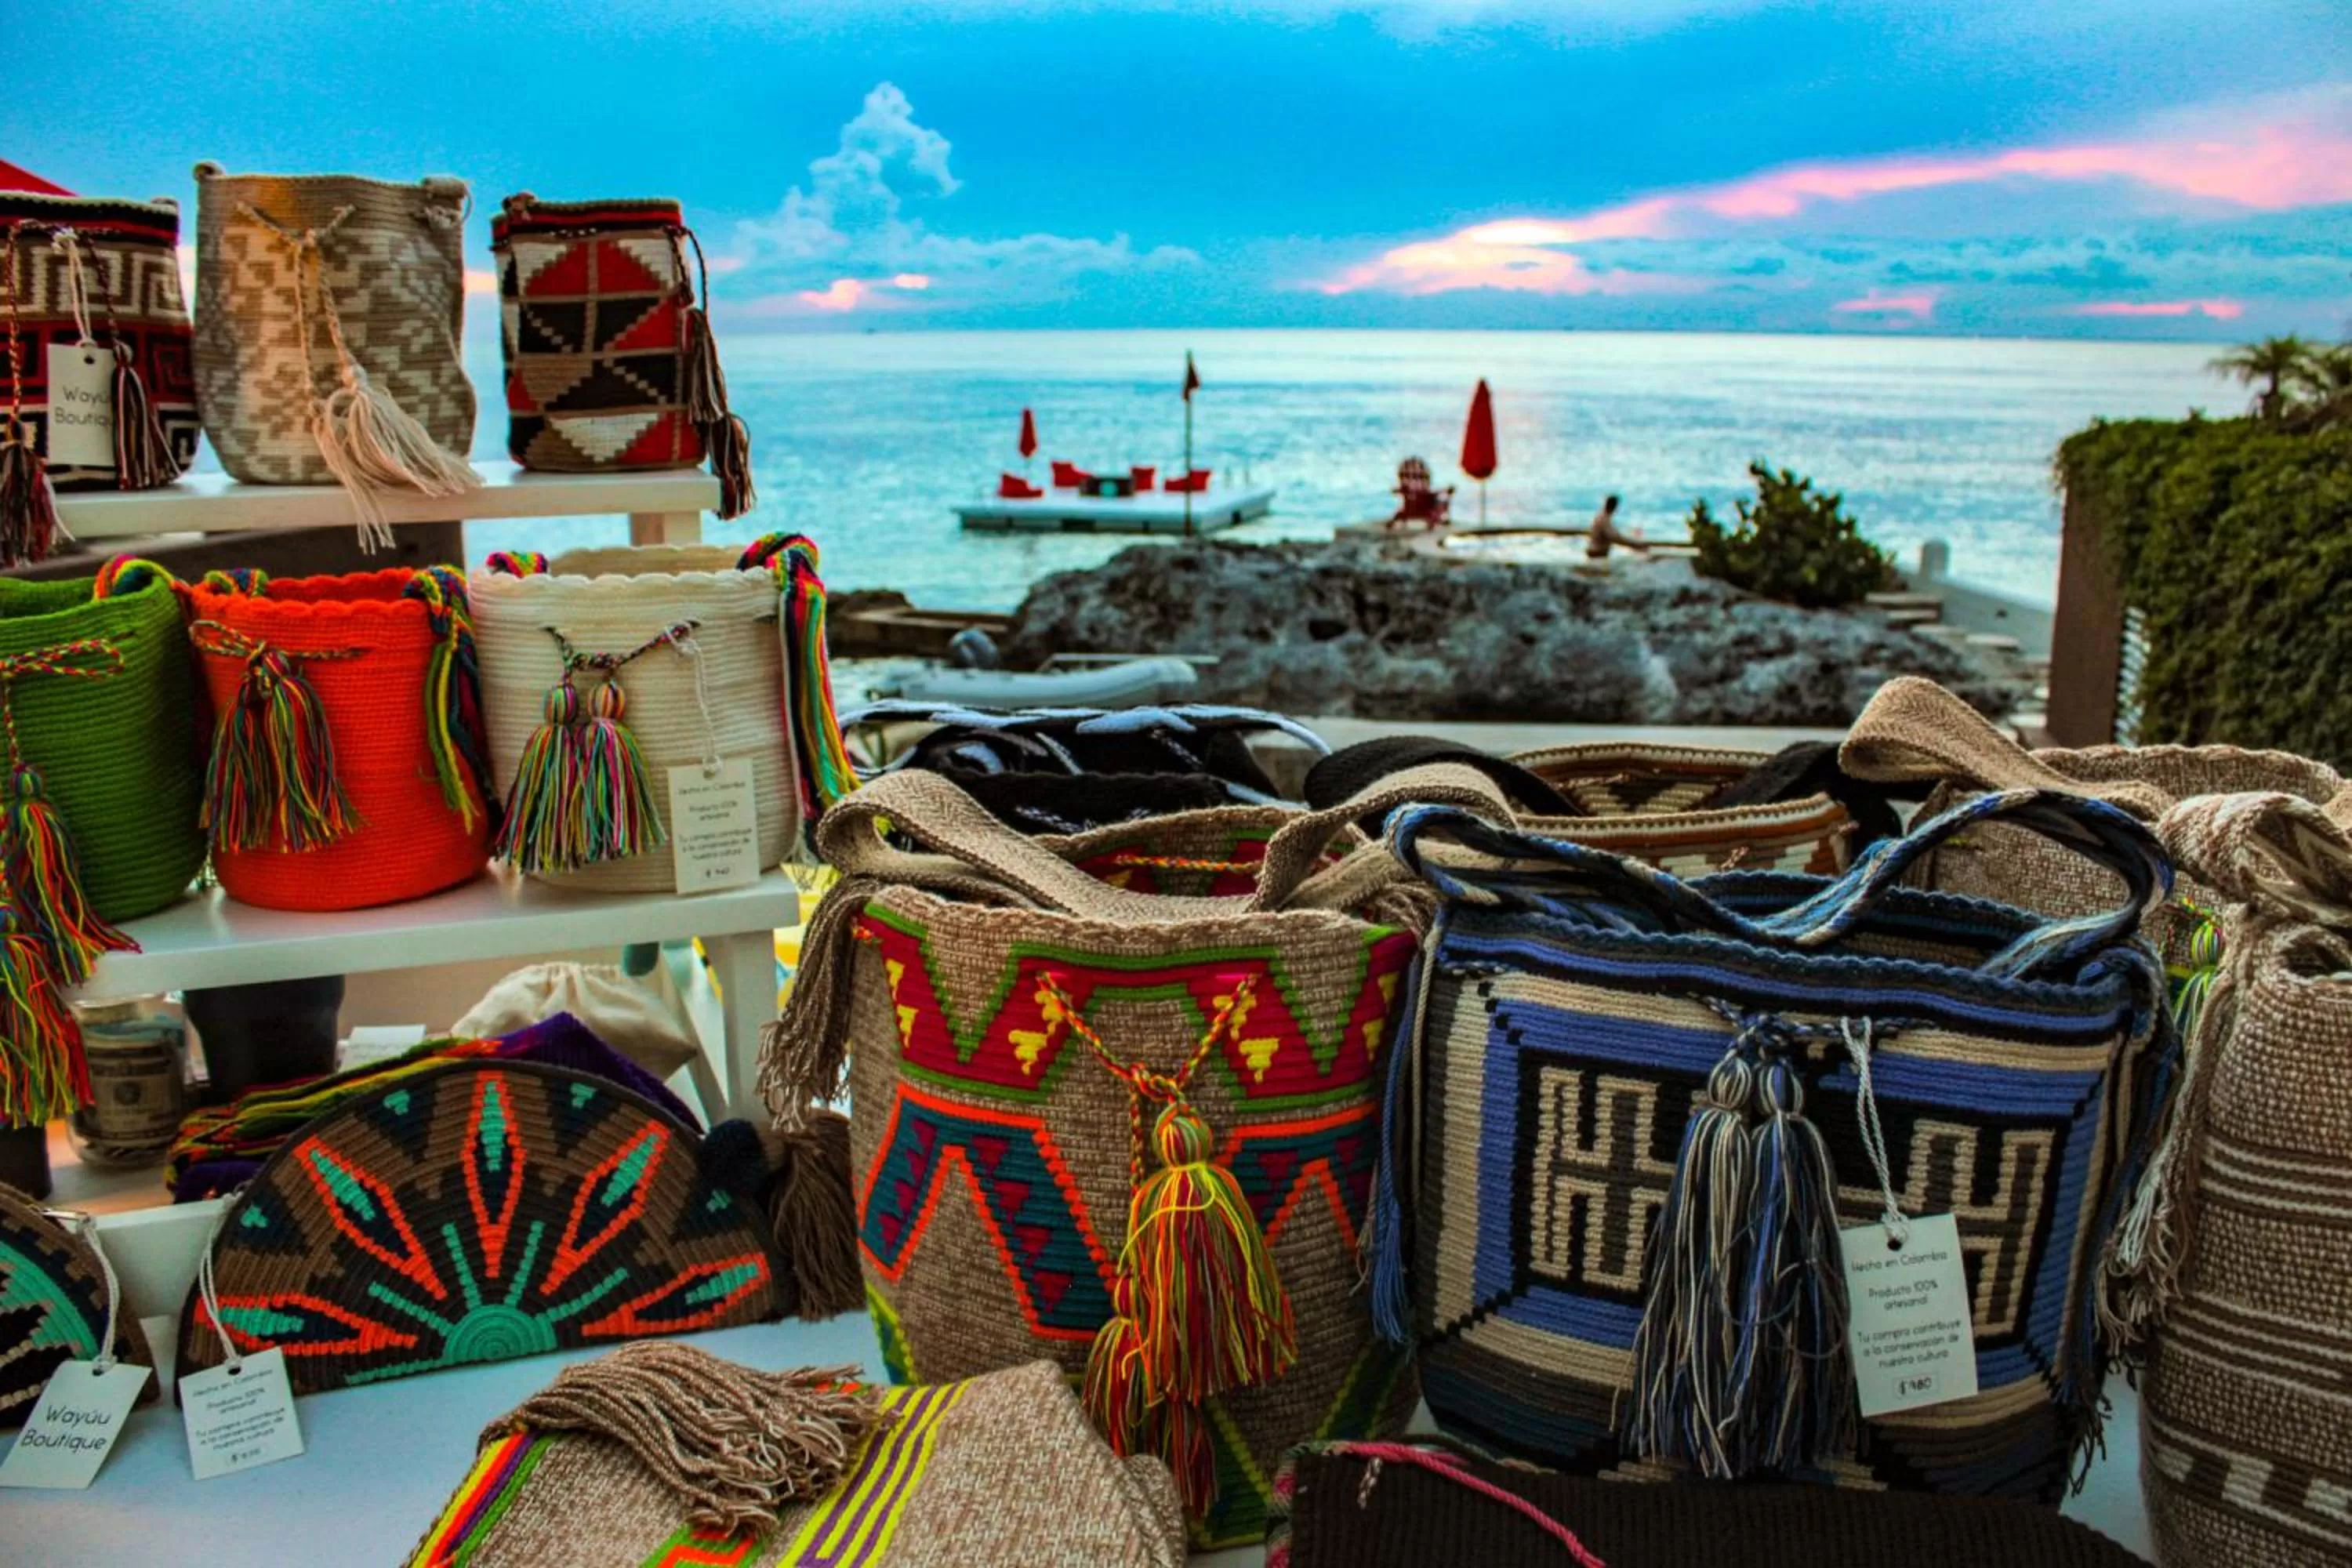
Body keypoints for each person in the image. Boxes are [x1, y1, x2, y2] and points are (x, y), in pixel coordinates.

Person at [1585, 494, 1648, 559]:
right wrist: (1635, 545)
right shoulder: (1604, 520)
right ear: (1614, 507)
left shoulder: (1600, 517)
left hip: (1596, 554)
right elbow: (1615, 538)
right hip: (1597, 555)